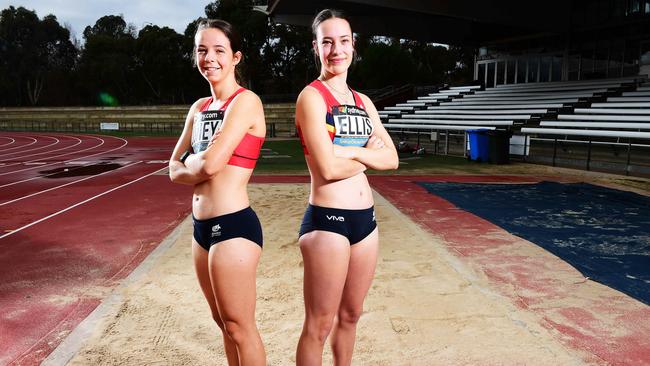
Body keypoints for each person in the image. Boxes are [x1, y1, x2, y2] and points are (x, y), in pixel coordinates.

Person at [294, 8, 399, 366]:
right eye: (327, 42)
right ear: (316, 47)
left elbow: (393, 159)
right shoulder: (312, 97)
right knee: (319, 323)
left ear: (353, 44)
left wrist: (345, 150)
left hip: (366, 223)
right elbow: (326, 168)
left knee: (352, 315)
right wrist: (366, 153)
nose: (336, 49)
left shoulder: (363, 101)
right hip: (328, 222)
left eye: (343, 41)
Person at [168, 18, 266, 366]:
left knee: (241, 327)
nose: (210, 58)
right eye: (202, 50)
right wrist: (198, 161)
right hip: (200, 230)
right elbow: (172, 168)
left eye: (219, 50)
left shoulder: (246, 102)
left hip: (234, 225)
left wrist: (193, 163)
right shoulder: (198, 109)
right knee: (223, 324)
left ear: (236, 57)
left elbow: (208, 167)